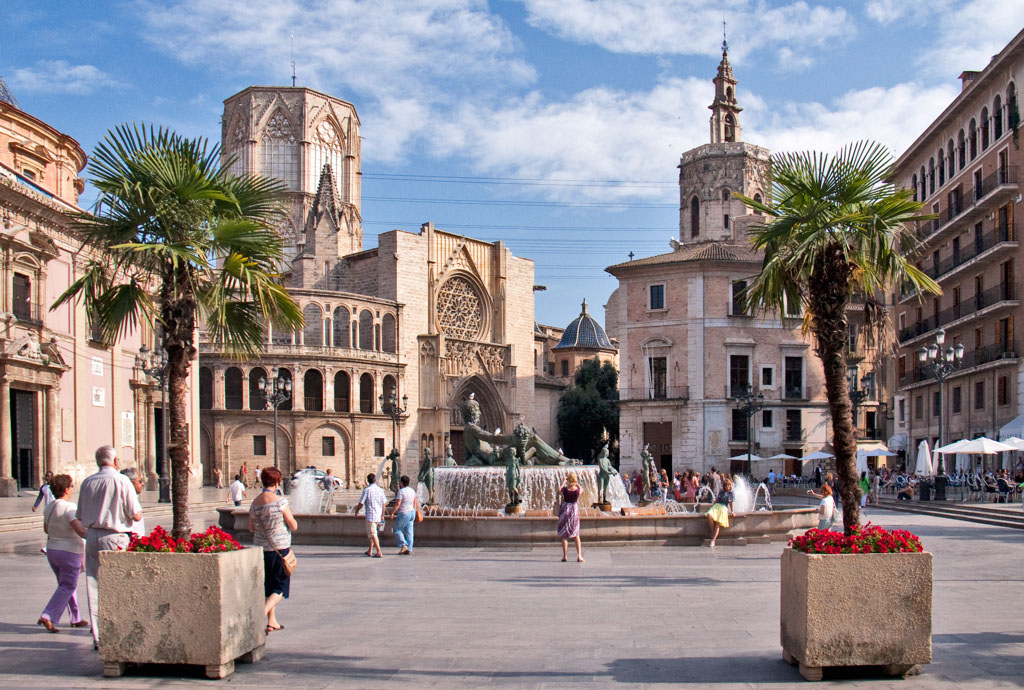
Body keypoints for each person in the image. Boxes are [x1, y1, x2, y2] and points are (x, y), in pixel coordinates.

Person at [77, 445, 143, 649]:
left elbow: (79, 515)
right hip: (115, 537)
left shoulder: (87, 482)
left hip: (92, 536)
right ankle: (120, 632)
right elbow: (136, 514)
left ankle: (99, 637)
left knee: (94, 585)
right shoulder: (122, 480)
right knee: (120, 585)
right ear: (115, 462)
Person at [249, 467, 297, 634]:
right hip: (280, 549)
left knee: (269, 587)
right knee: (279, 587)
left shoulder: (254, 503)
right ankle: (258, 617)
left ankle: (272, 622)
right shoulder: (280, 501)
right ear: (277, 482)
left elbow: (250, 528)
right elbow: (293, 524)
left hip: (262, 550)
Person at [38, 474, 88, 633]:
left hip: (53, 550)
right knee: (68, 584)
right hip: (69, 551)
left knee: (65, 584)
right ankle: (48, 615)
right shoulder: (69, 508)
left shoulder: (49, 507)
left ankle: (75, 617)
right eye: (71, 487)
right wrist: (93, 532)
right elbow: (80, 531)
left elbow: (46, 529)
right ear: (66, 489)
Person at [354, 473, 386, 558]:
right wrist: (383, 514)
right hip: (379, 515)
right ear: (375, 480)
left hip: (371, 515)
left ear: (367, 481)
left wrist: (357, 510)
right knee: (372, 533)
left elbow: (361, 502)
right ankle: (370, 550)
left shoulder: (367, 490)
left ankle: (379, 552)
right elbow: (384, 504)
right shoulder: (380, 490)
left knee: (373, 534)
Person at [388, 475, 419, 555]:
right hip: (412, 512)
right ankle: (410, 548)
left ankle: (403, 545)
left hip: (404, 512)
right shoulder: (412, 490)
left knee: (397, 530)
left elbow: (398, 503)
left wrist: (392, 513)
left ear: (401, 483)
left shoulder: (401, 491)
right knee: (409, 531)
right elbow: (415, 502)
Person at [556, 471, 583, 562]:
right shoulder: (577, 490)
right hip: (574, 510)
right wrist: (577, 483)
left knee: (564, 535)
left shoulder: (565, 490)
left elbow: (559, 490)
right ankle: (579, 555)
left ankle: (565, 556)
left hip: (565, 510)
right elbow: (581, 489)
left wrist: (564, 481)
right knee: (576, 534)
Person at [705, 478, 734, 547]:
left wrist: (732, 511)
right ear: (724, 486)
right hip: (717, 506)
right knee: (709, 515)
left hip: (723, 508)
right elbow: (717, 499)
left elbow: (731, 503)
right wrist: (713, 504)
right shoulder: (721, 491)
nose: (727, 487)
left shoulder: (731, 493)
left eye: (728, 485)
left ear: (730, 486)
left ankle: (713, 540)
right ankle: (712, 532)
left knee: (717, 523)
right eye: (726, 485)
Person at [120, 468, 146, 535]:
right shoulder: (126, 498)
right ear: (130, 483)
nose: (142, 484)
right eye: (140, 481)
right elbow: (137, 516)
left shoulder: (134, 497)